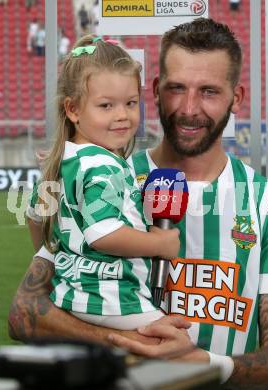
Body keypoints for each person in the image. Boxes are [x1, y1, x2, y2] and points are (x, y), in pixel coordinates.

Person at [9, 18, 268, 388]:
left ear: (237, 97)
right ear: (154, 90)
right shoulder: (104, 177)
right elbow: (24, 314)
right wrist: (132, 342)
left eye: (209, 91)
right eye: (176, 88)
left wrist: (203, 363)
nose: (189, 108)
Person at [26, 35, 180, 331]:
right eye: (106, 106)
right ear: (73, 110)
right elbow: (102, 233)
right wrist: (159, 242)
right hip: (114, 299)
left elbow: (36, 220)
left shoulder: (62, 161)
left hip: (71, 296)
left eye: (130, 103)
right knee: (180, 350)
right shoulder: (102, 164)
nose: (122, 115)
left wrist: (64, 262)